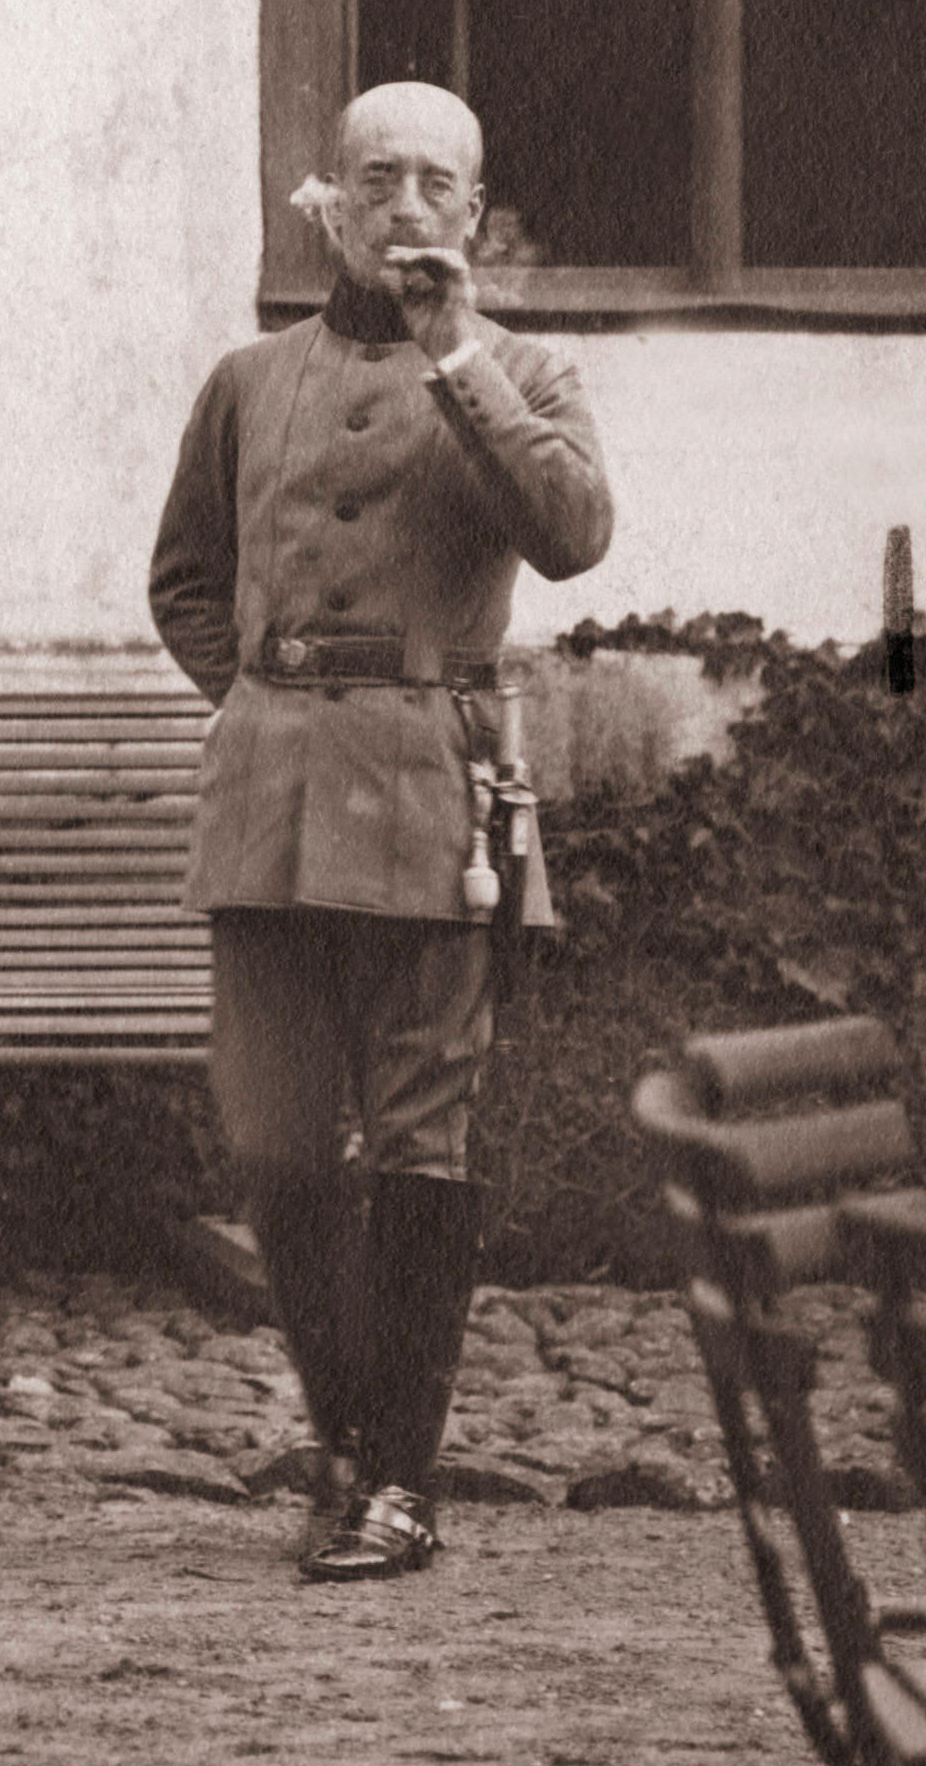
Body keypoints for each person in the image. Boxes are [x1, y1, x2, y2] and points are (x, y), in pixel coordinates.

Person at [148, 78, 612, 1581]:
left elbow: (568, 533)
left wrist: (452, 355)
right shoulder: (243, 379)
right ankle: (354, 1448)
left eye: (433, 182)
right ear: (329, 206)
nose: (403, 204)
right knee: (276, 1149)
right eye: (375, 179)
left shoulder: (520, 369)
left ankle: (394, 1484)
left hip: (431, 801)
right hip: (268, 811)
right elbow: (183, 581)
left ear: (469, 215)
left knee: (418, 1142)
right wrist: (272, 703)